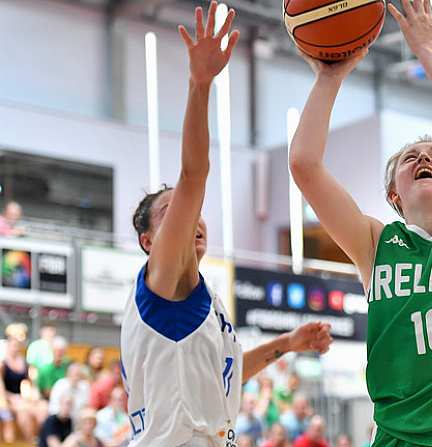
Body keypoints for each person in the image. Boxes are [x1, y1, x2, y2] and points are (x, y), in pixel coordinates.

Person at [289, 0, 432, 444]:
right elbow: (304, 164)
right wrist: (330, 76)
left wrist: (426, 49)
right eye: (409, 159)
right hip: (401, 437)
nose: (423, 157)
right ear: (394, 196)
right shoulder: (376, 244)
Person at [120, 4, 331, 446]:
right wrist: (200, 85)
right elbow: (194, 174)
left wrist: (287, 344)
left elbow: (227, 376)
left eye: (192, 210)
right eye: (172, 211)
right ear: (148, 240)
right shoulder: (161, 283)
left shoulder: (201, 298)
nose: (190, 216)